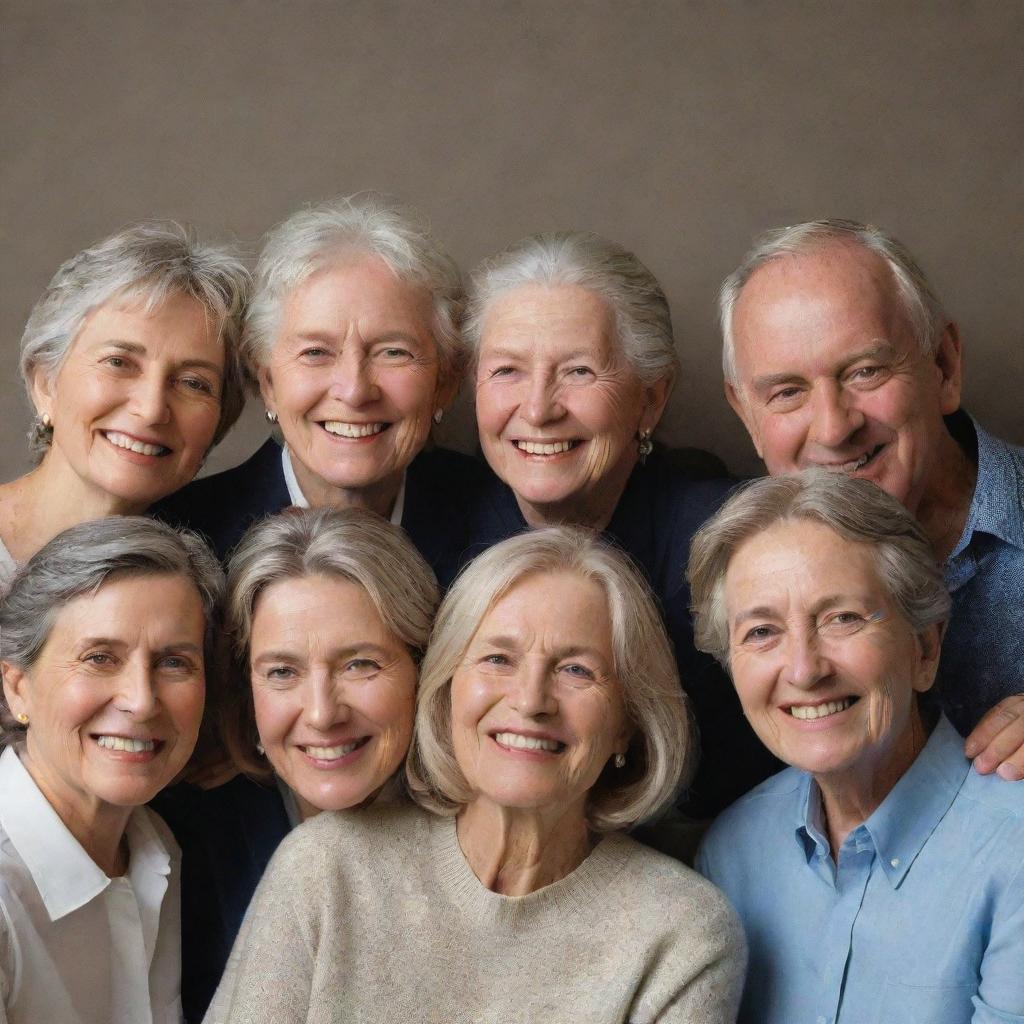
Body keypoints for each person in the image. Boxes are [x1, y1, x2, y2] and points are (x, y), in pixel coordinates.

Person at [205, 528, 746, 1023]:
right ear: (445, 692)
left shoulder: (681, 933)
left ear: (628, 723)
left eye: (576, 670)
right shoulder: (324, 866)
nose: (531, 700)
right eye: (497, 659)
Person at [691, 472, 1024, 1023]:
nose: (803, 669)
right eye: (761, 632)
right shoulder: (730, 856)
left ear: (924, 648)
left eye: (841, 618)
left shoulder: (1013, 848)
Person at [465, 230, 770, 816]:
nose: (537, 408)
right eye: (506, 370)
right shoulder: (440, 523)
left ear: (651, 400)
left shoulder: (731, 541)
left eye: (578, 372)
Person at [719, 218, 1024, 779]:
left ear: (944, 367)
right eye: (787, 392)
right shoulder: (728, 576)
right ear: (746, 415)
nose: (834, 428)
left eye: (865, 371)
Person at [155, 506, 439, 1023]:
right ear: (245, 688)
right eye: (283, 671)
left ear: (423, 665)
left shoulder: (482, 841)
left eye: (360, 664)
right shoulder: (186, 840)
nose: (323, 713)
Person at [157, 194, 488, 587]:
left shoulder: (502, 526)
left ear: (445, 383)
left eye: (393, 352)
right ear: (268, 383)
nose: (354, 390)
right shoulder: (185, 542)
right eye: (315, 352)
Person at [0, 516, 224, 1023]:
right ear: (17, 688)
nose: (142, 702)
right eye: (100, 657)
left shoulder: (157, 848)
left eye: (174, 663)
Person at [0, 222, 249, 590]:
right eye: (119, 362)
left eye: (193, 383)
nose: (151, 409)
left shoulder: (212, 593)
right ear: (45, 383)